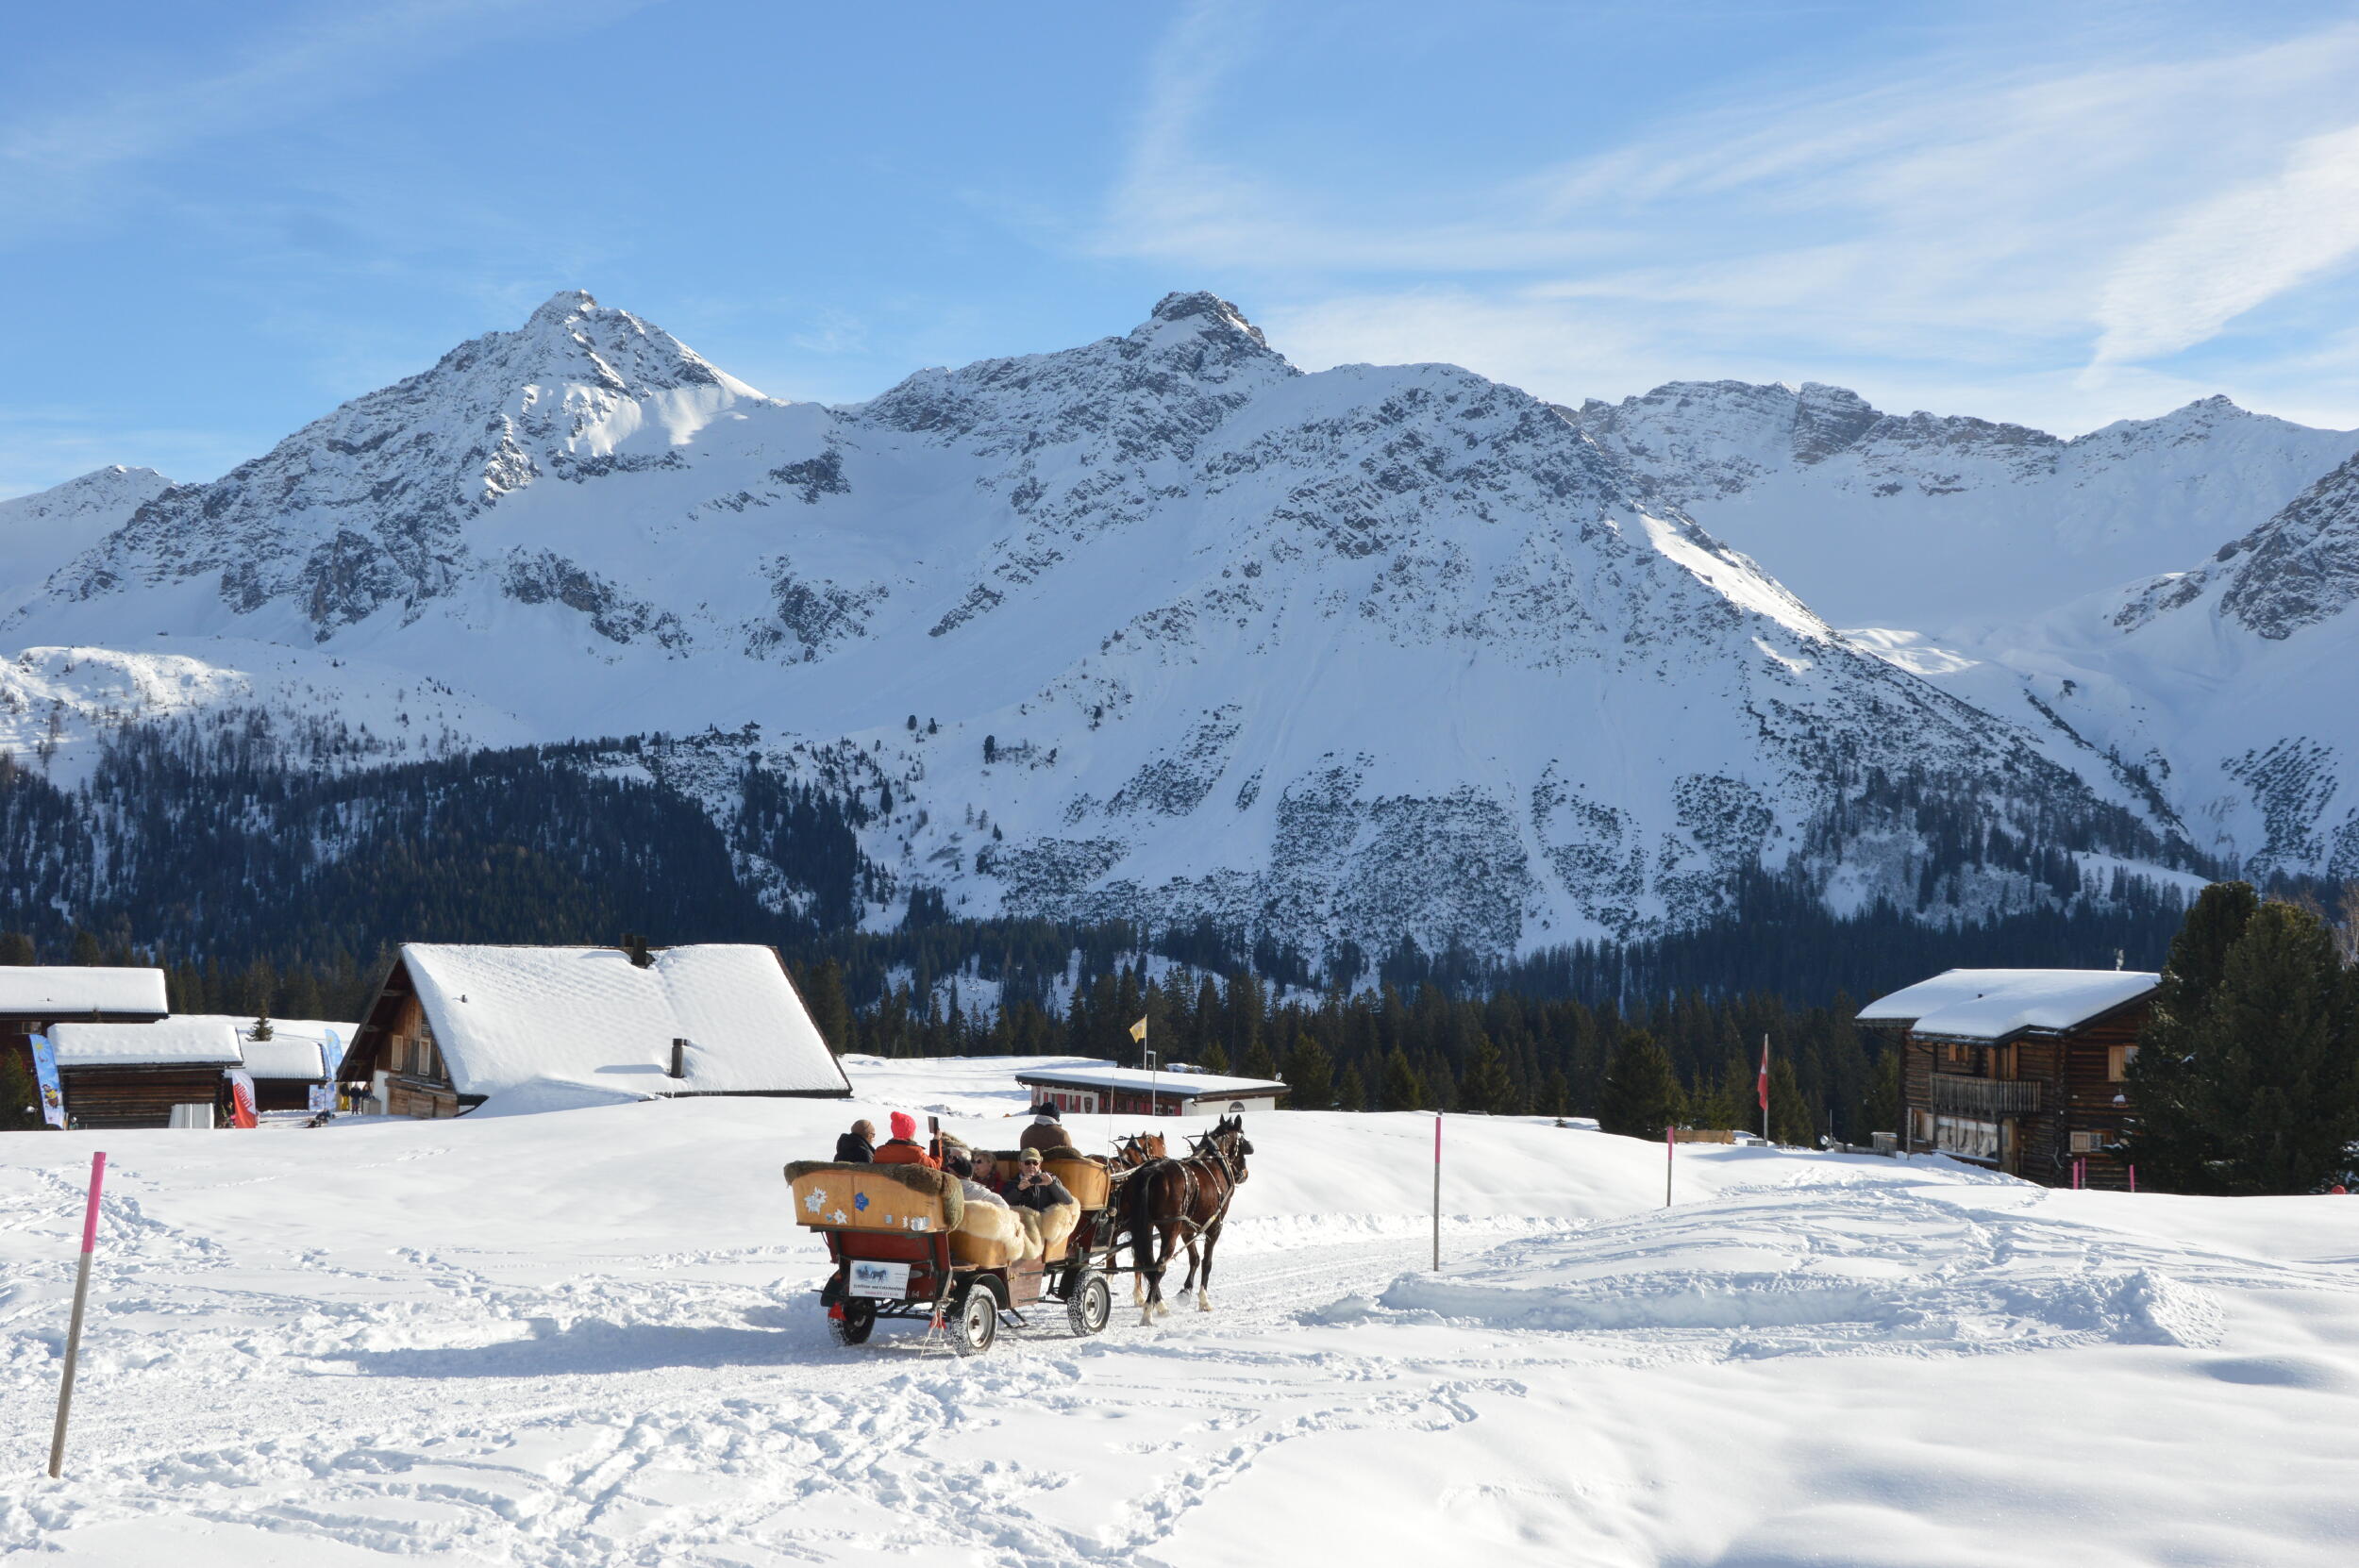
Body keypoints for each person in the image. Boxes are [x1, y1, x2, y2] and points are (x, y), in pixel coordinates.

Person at [1006, 1150, 1075, 1211]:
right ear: (1020, 1165)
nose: (1031, 1166)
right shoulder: (1013, 1182)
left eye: (1035, 1163)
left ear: (1039, 1165)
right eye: (1027, 1163)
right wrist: (1018, 1190)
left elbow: (1068, 1202)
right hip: (1023, 1223)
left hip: (1045, 1223)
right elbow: (1003, 1206)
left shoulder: (1050, 1179)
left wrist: (1052, 1184)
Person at [871, 1110, 939, 1169]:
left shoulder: (880, 1152)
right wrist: (936, 1141)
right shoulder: (917, 1154)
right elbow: (936, 1168)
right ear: (911, 1132)